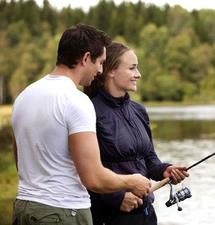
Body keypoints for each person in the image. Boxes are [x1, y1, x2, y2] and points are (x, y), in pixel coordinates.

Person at [11, 24, 151, 225]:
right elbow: (93, 178)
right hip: (64, 213)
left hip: (24, 207)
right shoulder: (76, 101)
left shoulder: (24, 96)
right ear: (86, 58)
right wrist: (132, 181)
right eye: (100, 63)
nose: (100, 70)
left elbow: (20, 160)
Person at [84, 42, 189, 225]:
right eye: (132, 68)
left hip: (146, 214)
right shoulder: (89, 110)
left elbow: (149, 159)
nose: (138, 74)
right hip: (108, 217)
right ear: (111, 71)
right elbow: (82, 169)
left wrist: (165, 170)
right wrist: (116, 198)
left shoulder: (138, 110)